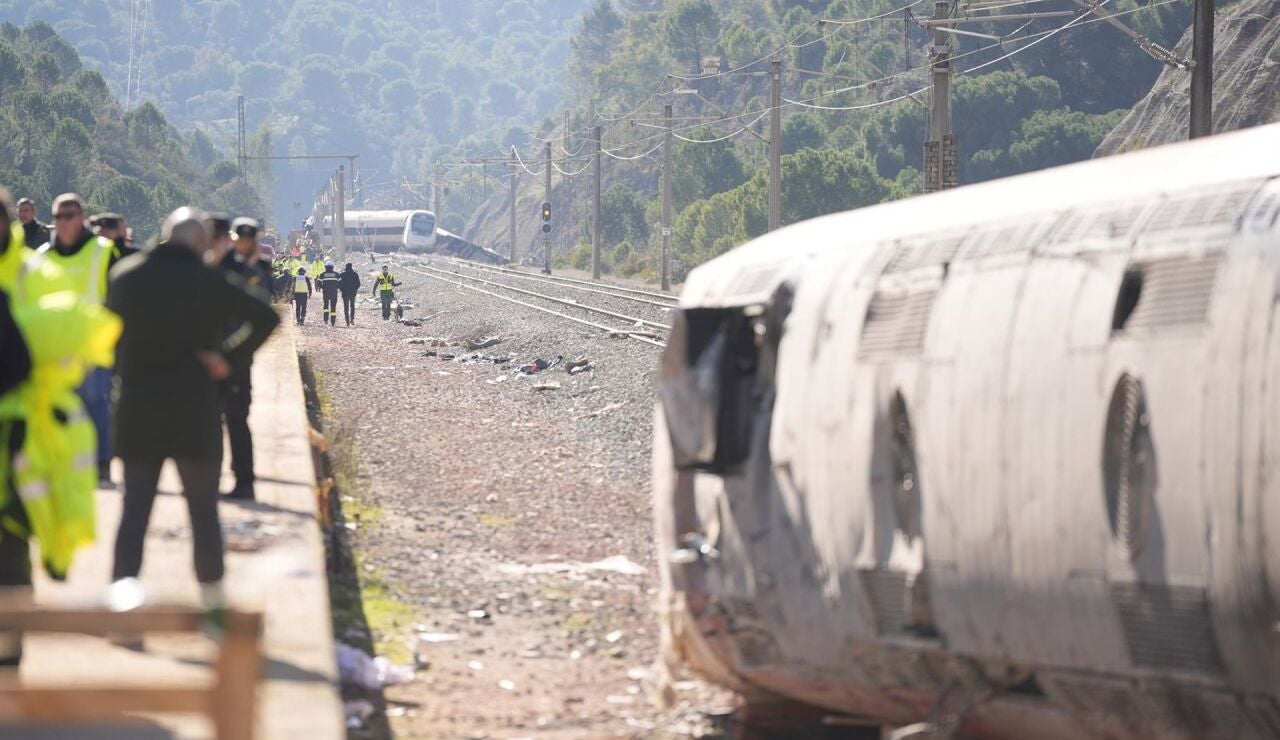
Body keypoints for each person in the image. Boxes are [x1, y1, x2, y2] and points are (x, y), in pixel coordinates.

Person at [107, 207, 278, 606]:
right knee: (203, 513)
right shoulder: (209, 280)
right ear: (201, 244)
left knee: (134, 513)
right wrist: (227, 359)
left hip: (137, 410)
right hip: (194, 411)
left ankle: (123, 606)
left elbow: (109, 333)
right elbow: (266, 317)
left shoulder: (126, 276)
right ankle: (213, 607)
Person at [0, 188, 121, 667]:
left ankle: (9, 665)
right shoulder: (41, 265)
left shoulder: (36, 272)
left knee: (11, 546)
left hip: (23, 436)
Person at [23, 193, 121, 484]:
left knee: (95, 401)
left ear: (82, 218)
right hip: (55, 348)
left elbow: (118, 297)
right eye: (58, 216)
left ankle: (101, 463)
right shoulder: (42, 258)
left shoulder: (103, 250)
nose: (64, 222)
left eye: (70, 215)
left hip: (93, 346)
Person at [217, 217, 273, 500]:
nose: (245, 244)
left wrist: (237, 350)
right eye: (241, 239)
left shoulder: (259, 269)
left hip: (238, 356)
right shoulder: (222, 267)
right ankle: (214, 477)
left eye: (249, 240)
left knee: (237, 417)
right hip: (217, 351)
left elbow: (264, 309)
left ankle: (243, 479)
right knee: (213, 421)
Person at [315, 261, 341, 327]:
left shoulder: (322, 274)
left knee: (326, 306)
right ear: (333, 267)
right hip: (334, 293)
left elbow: (318, 283)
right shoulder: (336, 274)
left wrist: (323, 287)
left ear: (325, 267)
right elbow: (341, 283)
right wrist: (336, 287)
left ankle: (326, 319)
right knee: (333, 307)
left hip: (326, 292)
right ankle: (333, 322)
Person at [338, 262, 361, 326]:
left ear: (346, 267)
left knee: (346, 307)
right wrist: (355, 289)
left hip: (345, 293)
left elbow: (339, 284)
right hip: (352, 293)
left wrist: (341, 289)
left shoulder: (342, 274)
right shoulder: (355, 274)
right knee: (352, 306)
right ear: (351, 267)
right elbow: (358, 284)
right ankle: (352, 319)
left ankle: (347, 321)